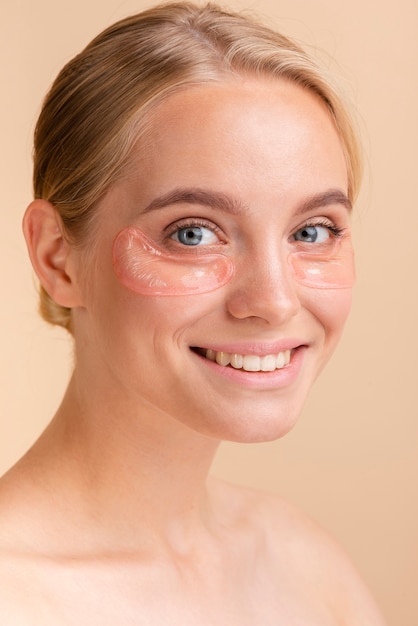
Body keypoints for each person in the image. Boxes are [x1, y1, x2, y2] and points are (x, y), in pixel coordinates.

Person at [0, 2, 386, 623]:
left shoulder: (306, 569)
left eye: (312, 232)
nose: (275, 300)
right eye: (191, 234)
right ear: (57, 258)